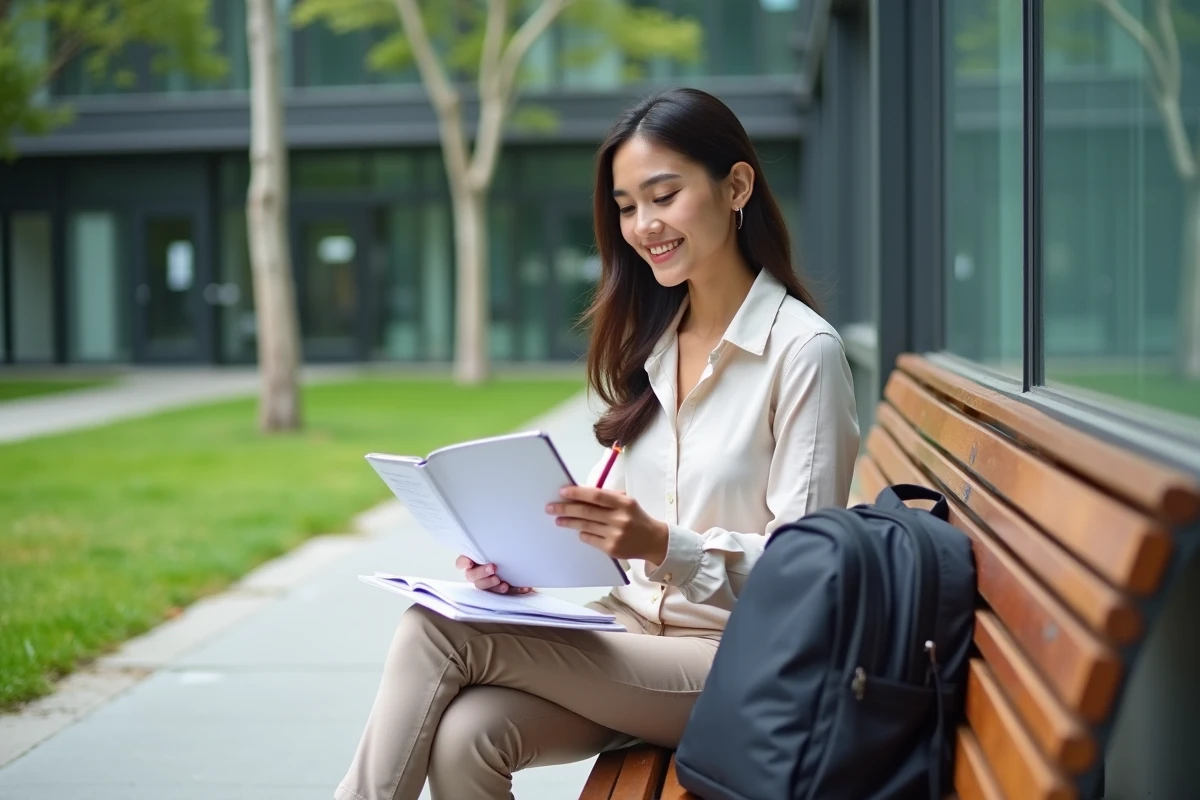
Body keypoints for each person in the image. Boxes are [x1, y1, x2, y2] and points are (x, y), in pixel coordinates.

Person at [334, 87, 861, 800]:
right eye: (625, 206)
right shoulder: (656, 344)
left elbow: (807, 577)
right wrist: (515, 564)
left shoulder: (803, 351)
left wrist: (663, 545)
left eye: (663, 195)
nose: (644, 226)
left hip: (742, 663)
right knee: (467, 738)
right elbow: (605, 524)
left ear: (736, 186)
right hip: (632, 640)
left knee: (435, 629)